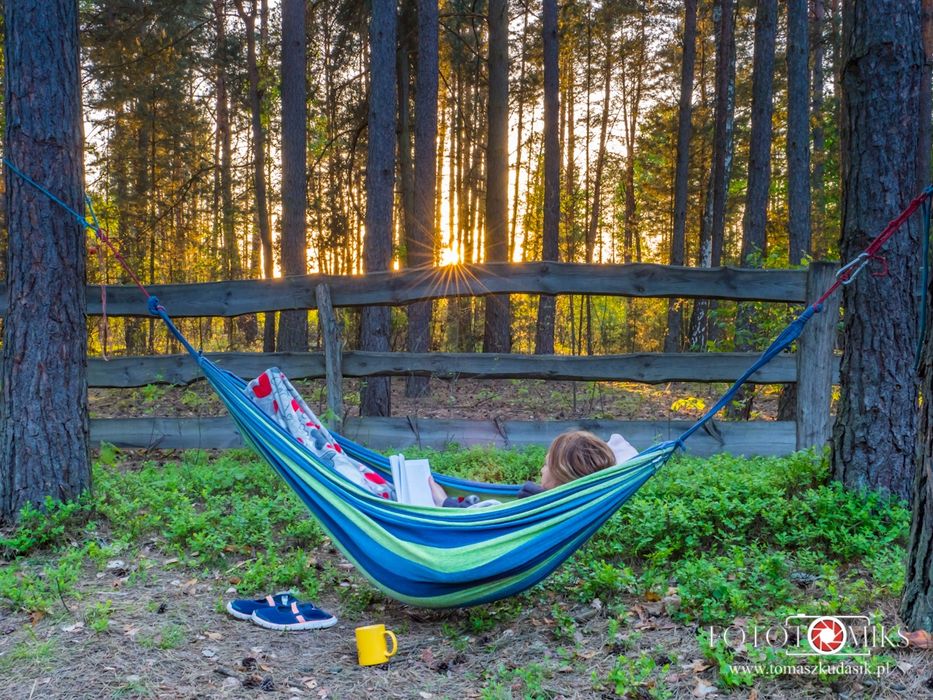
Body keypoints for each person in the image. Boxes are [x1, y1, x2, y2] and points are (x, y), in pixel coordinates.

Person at [428, 430, 637, 507]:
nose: (541, 471)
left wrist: (444, 501)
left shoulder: (537, 507)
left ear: (561, 474)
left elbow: (484, 518)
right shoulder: (566, 505)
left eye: (546, 464)